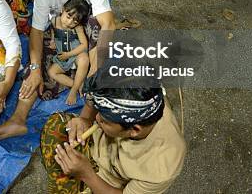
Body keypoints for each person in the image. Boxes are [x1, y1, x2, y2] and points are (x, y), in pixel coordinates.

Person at [0, 0, 115, 140]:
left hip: (87, 36)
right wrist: (37, 68)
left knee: (96, 30)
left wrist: (96, 65)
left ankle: (85, 116)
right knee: (34, 70)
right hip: (61, 36)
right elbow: (37, 32)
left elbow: (108, 24)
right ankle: (18, 120)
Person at [40, 79, 186, 194]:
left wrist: (86, 174)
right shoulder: (138, 92)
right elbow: (97, 96)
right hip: (94, 148)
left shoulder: (162, 166)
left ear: (134, 129)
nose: (96, 119)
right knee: (56, 129)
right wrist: (84, 119)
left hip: (105, 182)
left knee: (63, 174)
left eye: (104, 120)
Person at [47, 0, 90, 105]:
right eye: (68, 16)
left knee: (84, 60)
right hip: (62, 55)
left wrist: (69, 54)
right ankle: (77, 84)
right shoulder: (54, 20)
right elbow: (53, 30)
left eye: (75, 21)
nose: (70, 22)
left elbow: (84, 45)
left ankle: (73, 91)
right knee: (51, 72)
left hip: (75, 53)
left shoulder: (78, 28)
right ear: (63, 9)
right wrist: (52, 40)